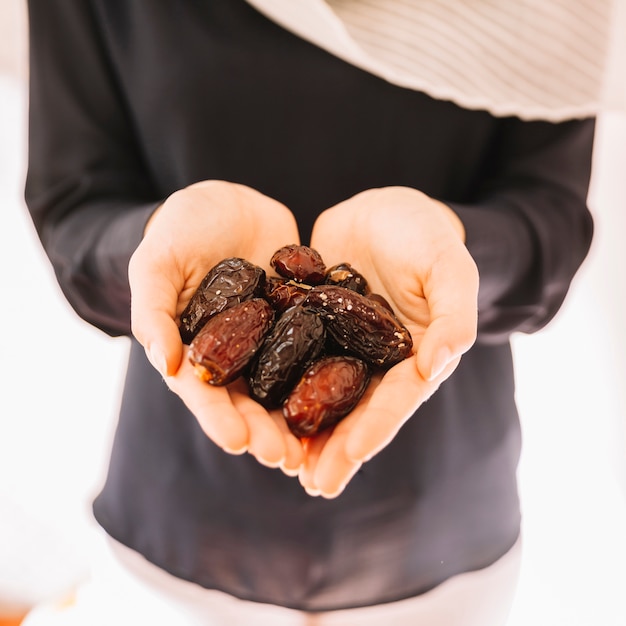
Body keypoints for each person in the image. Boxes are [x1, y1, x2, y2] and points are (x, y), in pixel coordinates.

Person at [21, 1, 614, 624]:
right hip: (180, 523)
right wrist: (154, 255)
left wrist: (453, 248)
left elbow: (553, 218)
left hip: (442, 525)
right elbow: (72, 200)